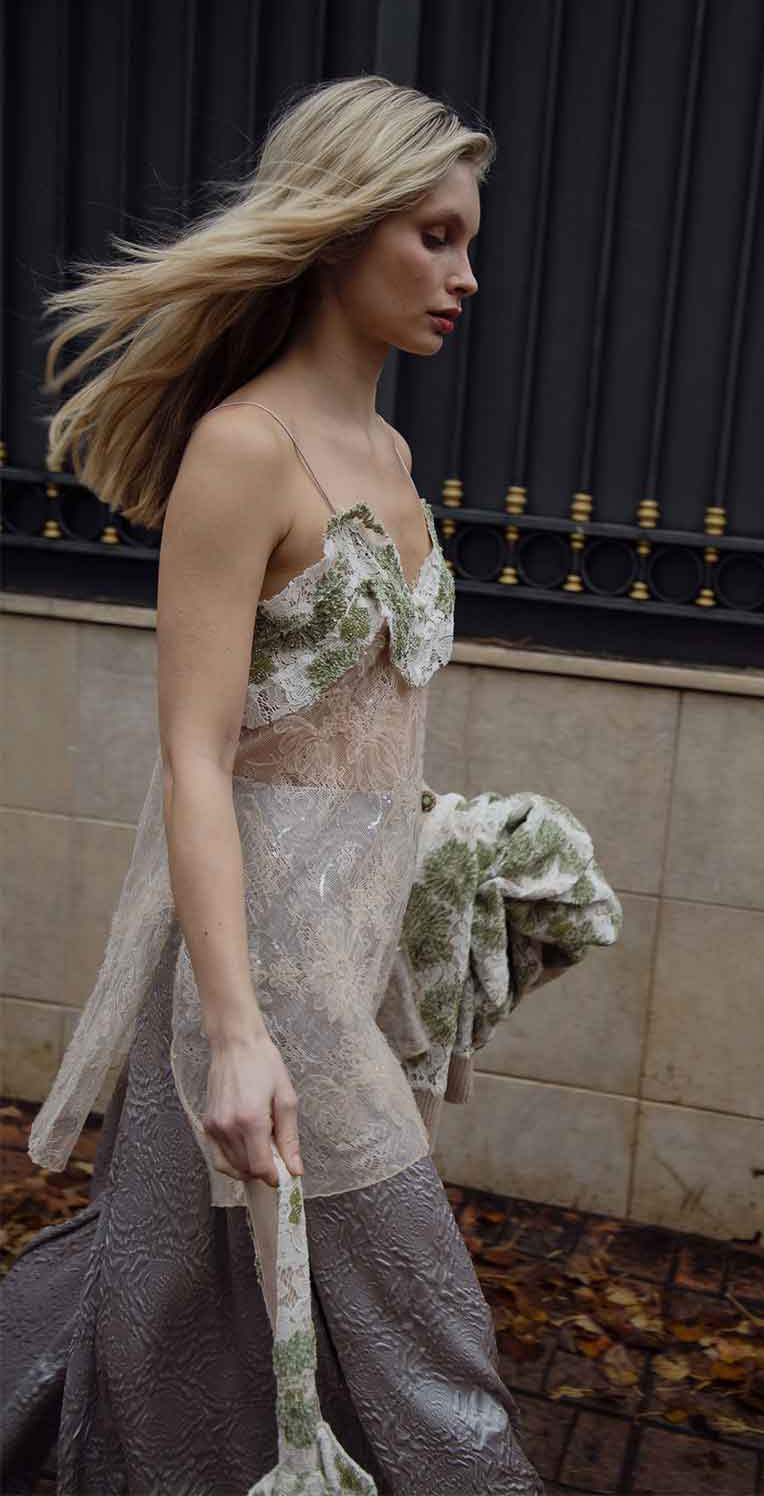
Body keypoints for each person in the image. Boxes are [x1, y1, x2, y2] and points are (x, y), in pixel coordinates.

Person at [0, 74, 561, 1495]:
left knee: (181, 1303)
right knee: (425, 1341)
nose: (466, 276)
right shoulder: (244, 450)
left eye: (470, 240)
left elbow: (354, 735)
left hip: (351, 960)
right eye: (434, 236)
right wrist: (238, 1032)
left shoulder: (392, 454)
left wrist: (451, 848)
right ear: (338, 230)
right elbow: (197, 757)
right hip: (259, 982)